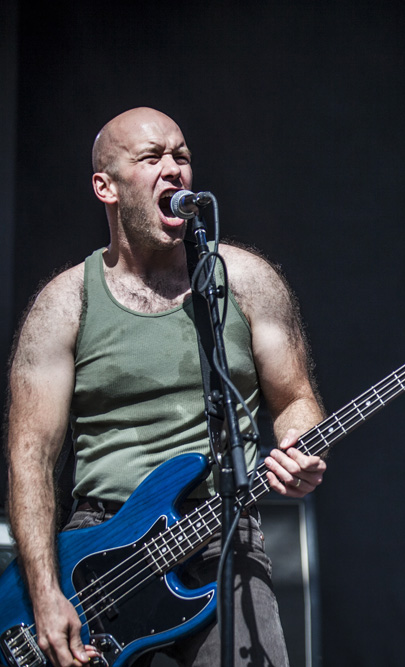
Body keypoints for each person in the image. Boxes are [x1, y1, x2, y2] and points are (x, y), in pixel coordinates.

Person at [5, 107, 326, 667]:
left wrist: (299, 448)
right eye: (151, 158)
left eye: (181, 156)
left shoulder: (246, 282)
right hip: (98, 555)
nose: (173, 169)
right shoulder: (64, 305)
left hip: (222, 530)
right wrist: (45, 591)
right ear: (105, 187)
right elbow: (29, 457)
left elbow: (296, 399)